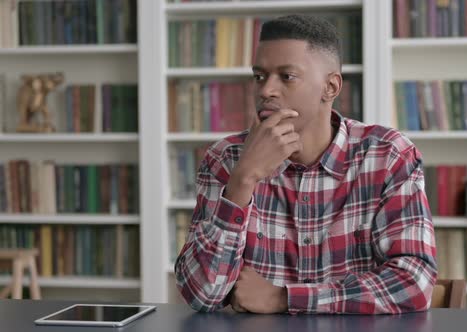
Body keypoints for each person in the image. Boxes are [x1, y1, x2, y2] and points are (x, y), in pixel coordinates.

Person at [175, 14, 436, 315]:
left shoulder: (388, 156)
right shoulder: (226, 158)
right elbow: (200, 295)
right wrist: (243, 179)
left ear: (331, 87)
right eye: (259, 76)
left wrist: (284, 298)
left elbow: (415, 281)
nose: (265, 91)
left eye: (286, 76)